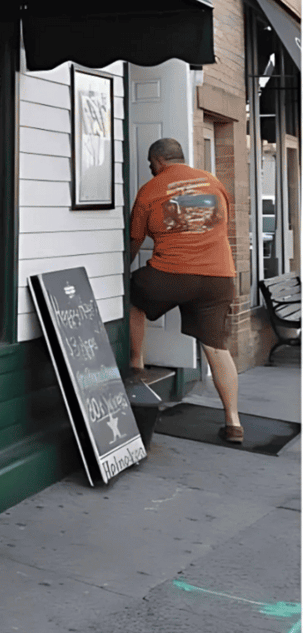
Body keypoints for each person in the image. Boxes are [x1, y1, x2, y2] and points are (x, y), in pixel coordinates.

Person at [129, 137, 242, 444]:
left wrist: (122, 267)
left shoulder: (150, 190)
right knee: (217, 347)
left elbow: (135, 239)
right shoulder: (213, 182)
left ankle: (136, 363)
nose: (151, 168)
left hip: (171, 275)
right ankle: (233, 421)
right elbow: (221, 224)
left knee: (132, 295)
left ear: (159, 161)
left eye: (151, 164)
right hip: (218, 278)